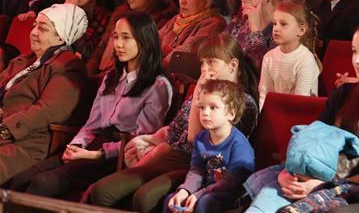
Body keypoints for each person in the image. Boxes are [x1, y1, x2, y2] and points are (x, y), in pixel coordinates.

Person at [244, 22, 359, 212]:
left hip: (352, 186)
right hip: (312, 174)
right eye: (354, 51)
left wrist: (319, 184)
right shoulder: (344, 94)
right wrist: (289, 173)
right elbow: (314, 140)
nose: (356, 60)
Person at [86, 35, 259, 213]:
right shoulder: (206, 92)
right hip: (174, 154)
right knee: (101, 191)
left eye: (211, 62)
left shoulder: (243, 104)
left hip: (200, 165)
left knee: (145, 198)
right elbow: (175, 131)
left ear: (232, 65)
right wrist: (151, 142)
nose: (205, 69)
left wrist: (200, 89)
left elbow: (196, 139)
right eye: (202, 63)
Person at [11, 11, 172, 199]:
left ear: (144, 41)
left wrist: (96, 155)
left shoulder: (158, 85)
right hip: (90, 144)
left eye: (126, 38)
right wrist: (76, 145)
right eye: (116, 37)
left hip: (116, 156)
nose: (118, 44)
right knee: (21, 179)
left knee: (44, 183)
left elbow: (140, 141)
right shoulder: (111, 78)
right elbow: (92, 124)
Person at [0, 4, 89, 183]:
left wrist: (5, 128)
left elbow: (48, 110)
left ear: (61, 36)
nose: (33, 32)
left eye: (42, 28)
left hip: (26, 142)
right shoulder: (24, 60)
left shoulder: (68, 66)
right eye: (34, 25)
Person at [164, 79, 254, 213]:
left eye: (213, 107)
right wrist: (185, 190)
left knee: (206, 202)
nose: (205, 113)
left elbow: (229, 183)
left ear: (231, 113)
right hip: (207, 189)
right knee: (171, 200)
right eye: (202, 107)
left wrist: (198, 195)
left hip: (232, 194)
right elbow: (196, 171)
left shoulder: (240, 145)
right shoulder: (201, 138)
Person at [259, 0, 320, 108]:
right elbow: (265, 94)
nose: (276, 28)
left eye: (283, 24)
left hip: (299, 117)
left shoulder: (305, 60)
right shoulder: (269, 57)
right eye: (274, 23)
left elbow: (301, 101)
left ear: (301, 30)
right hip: (276, 114)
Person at [159, 0, 228, 67]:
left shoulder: (214, 24)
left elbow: (185, 51)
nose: (182, 1)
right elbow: (153, 40)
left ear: (207, 1)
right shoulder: (176, 19)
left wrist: (155, 69)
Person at [229, 0, 286, 72]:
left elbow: (269, 71)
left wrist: (255, 32)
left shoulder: (284, 28)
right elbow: (216, 53)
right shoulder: (239, 23)